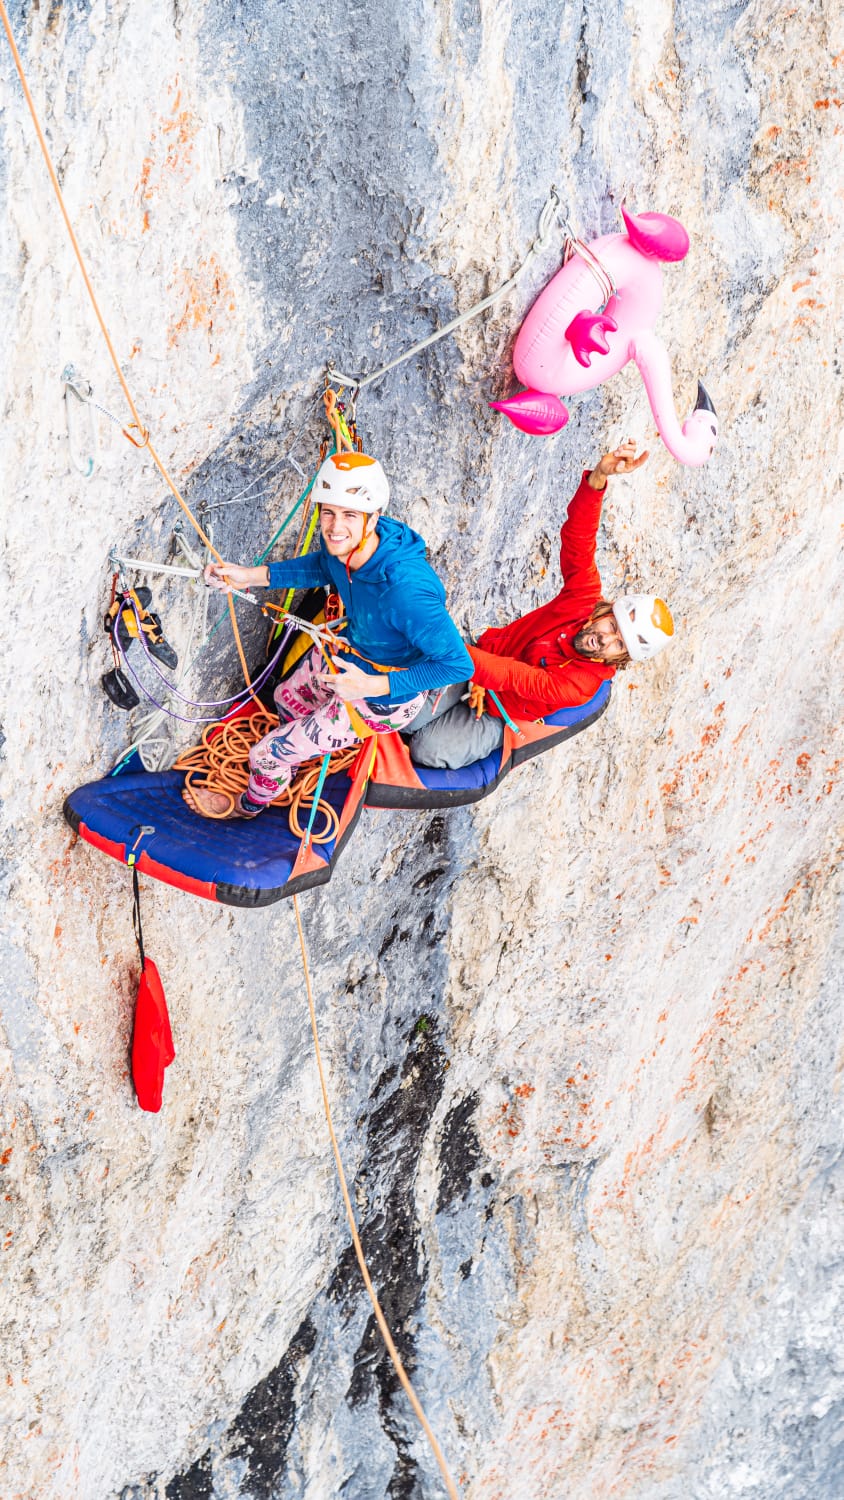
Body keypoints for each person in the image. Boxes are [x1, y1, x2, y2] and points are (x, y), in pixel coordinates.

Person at [185, 450, 473, 818]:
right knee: (286, 699)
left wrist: (370, 687)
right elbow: (321, 566)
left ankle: (248, 806)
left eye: (349, 515)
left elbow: (457, 665)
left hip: (384, 698)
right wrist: (248, 575)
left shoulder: (406, 590)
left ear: (373, 519)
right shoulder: (344, 545)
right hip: (349, 656)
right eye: (329, 512)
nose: (335, 527)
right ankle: (293, 754)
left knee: (265, 754)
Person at [408, 440, 674, 770]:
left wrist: (439, 640)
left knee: (427, 749)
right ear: (604, 612)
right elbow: (579, 542)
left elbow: (516, 678)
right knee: (406, 717)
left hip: (498, 710)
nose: (605, 638)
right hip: (481, 658)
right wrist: (598, 479)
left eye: (617, 644)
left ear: (617, 659)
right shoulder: (583, 599)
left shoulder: (580, 686)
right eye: (613, 626)